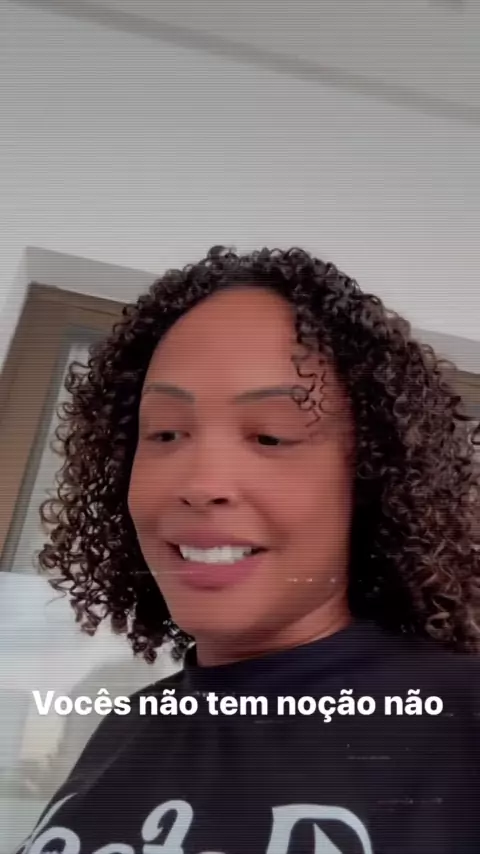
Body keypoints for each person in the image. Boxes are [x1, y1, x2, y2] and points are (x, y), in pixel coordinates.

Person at [14, 246, 480, 854]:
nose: (201, 483)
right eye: (165, 433)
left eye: (270, 436)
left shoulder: (461, 724)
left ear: (371, 479)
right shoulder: (129, 723)